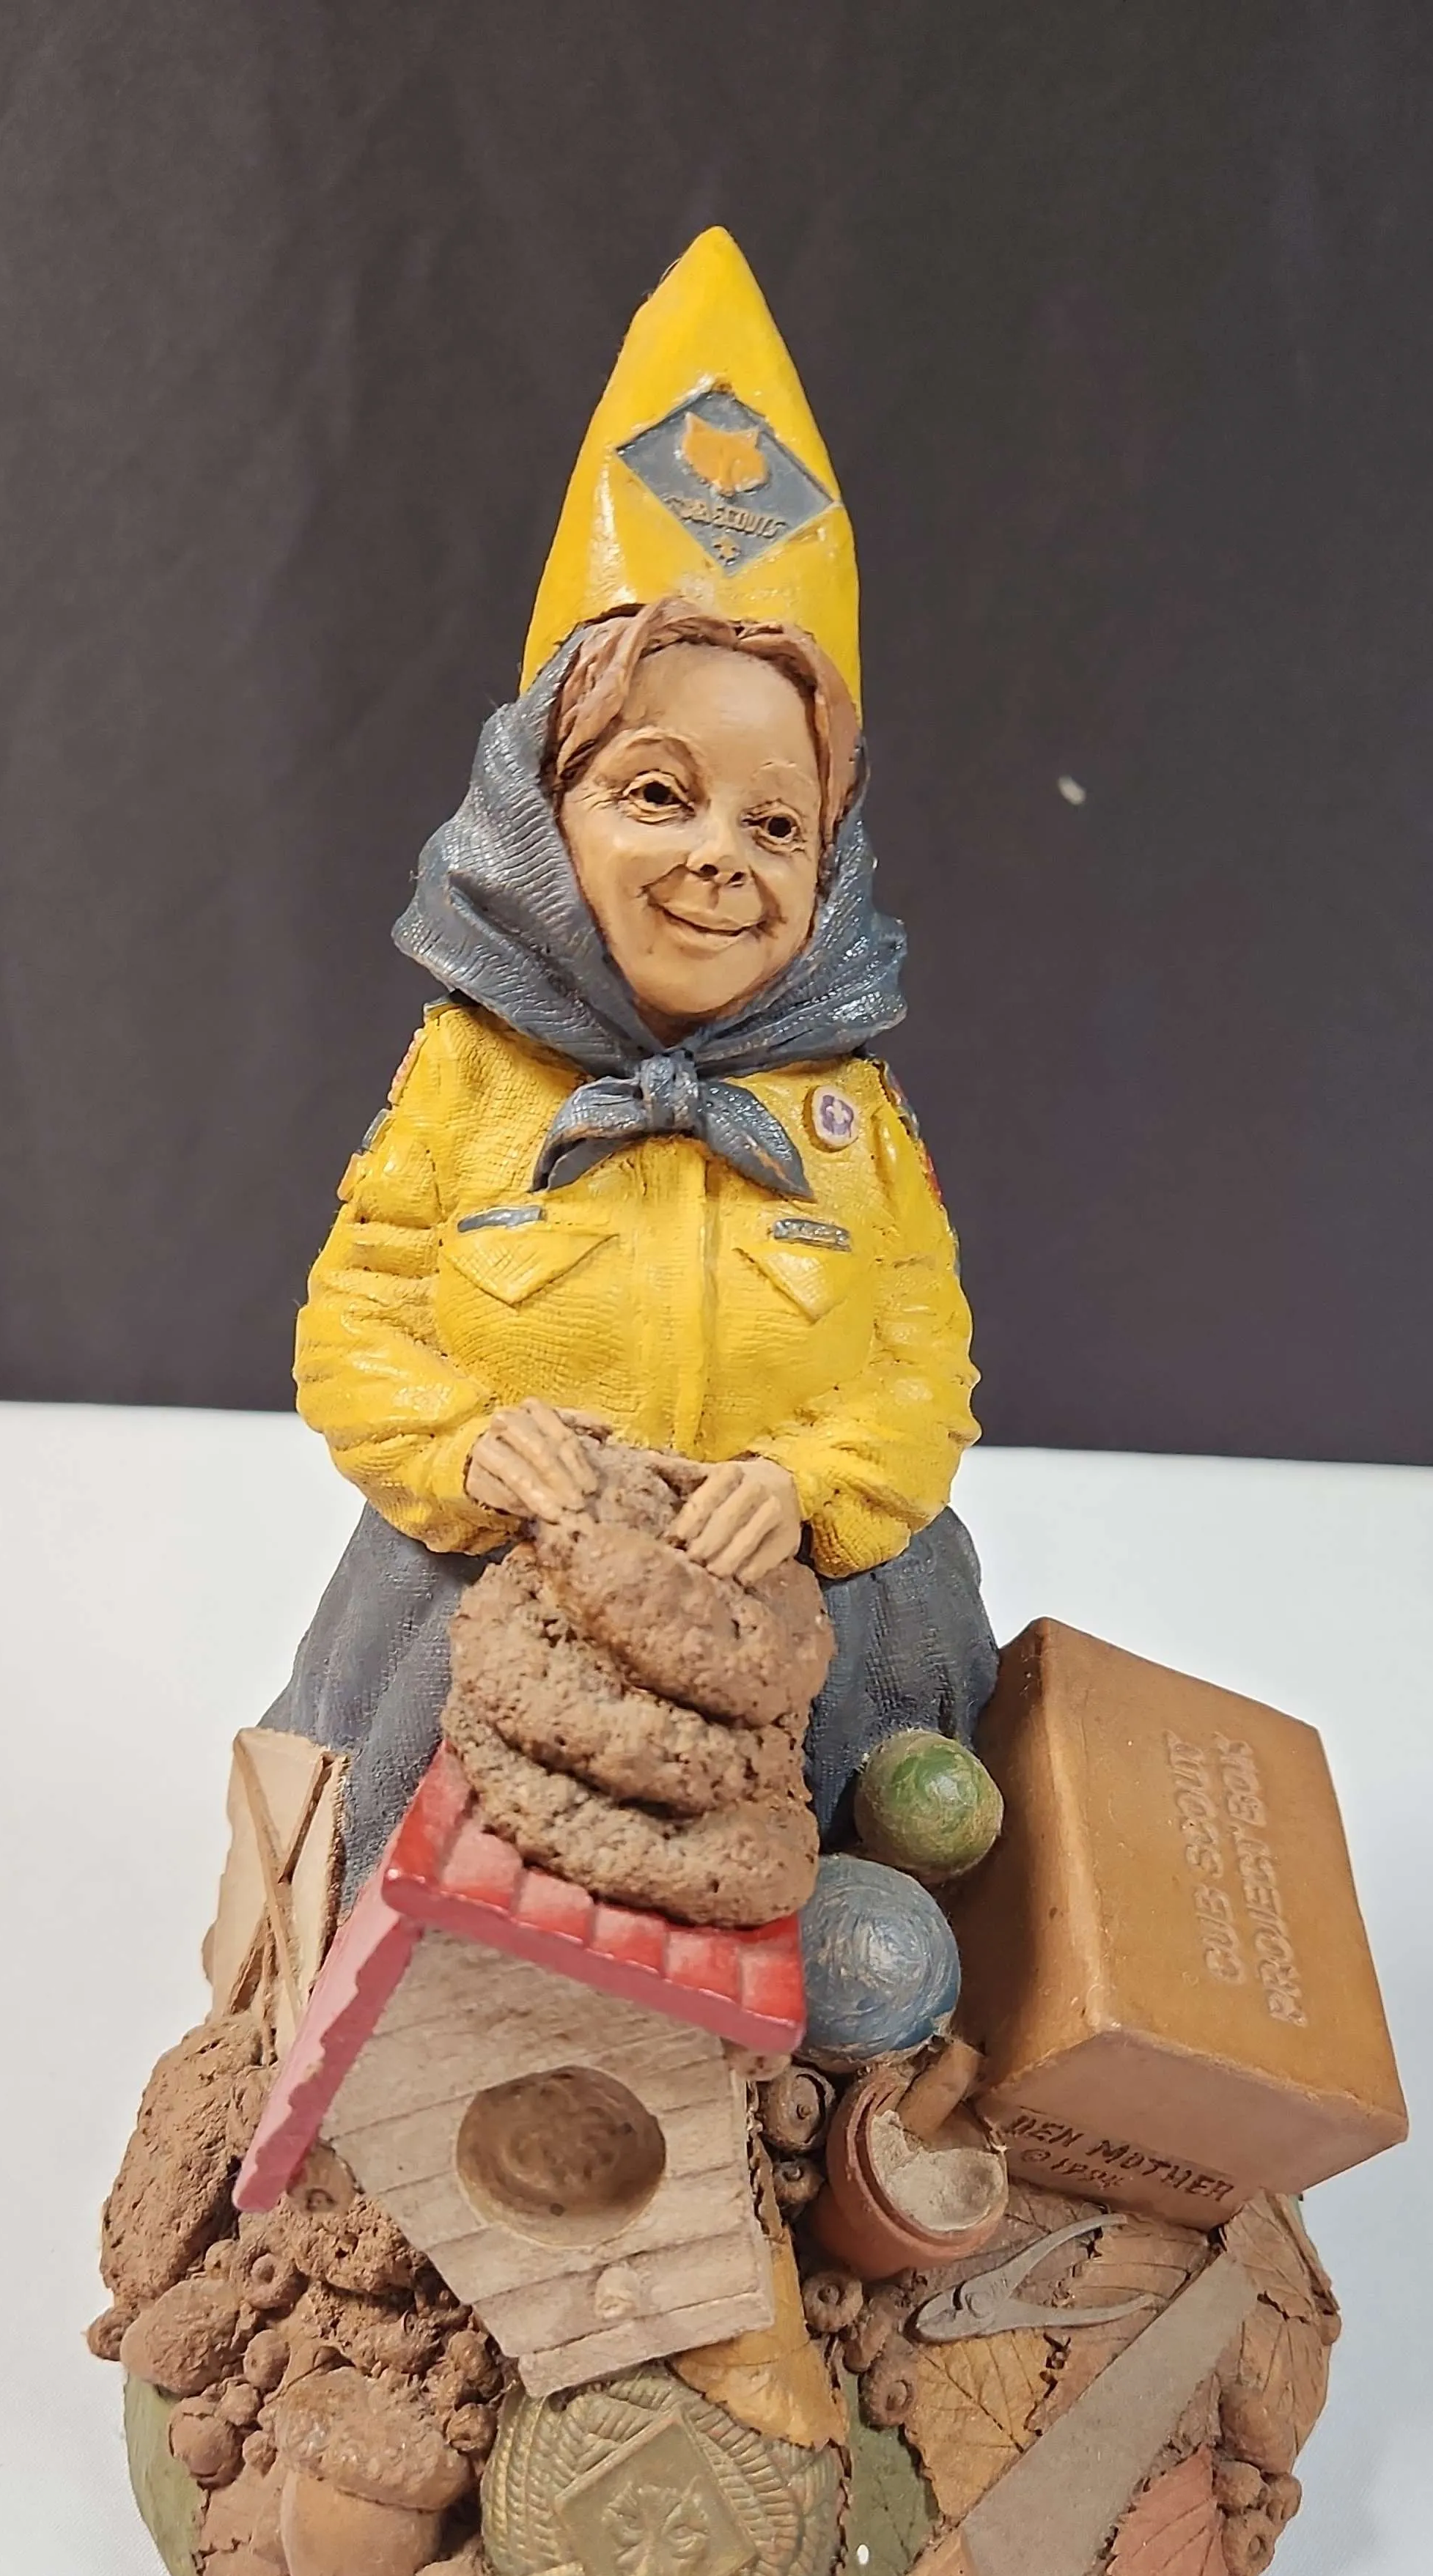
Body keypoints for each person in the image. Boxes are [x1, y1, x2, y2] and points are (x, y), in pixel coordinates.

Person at [265, 235, 998, 1893]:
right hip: (493, 1601)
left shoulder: (850, 1118)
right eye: (658, 795)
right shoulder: (466, 1078)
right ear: (544, 811)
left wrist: (809, 1486)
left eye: (777, 822)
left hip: (817, 1625)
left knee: (863, 1868)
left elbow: (922, 1354)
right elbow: (358, 1322)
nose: (719, 855)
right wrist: (468, 1449)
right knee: (412, 1860)